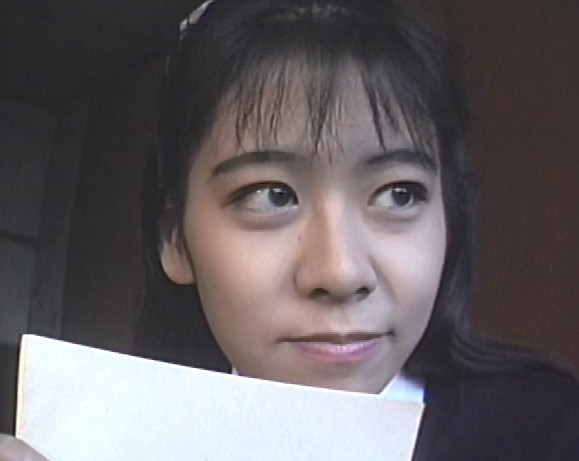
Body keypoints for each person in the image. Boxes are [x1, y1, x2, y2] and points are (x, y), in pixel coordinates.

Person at [1, 0, 578, 459]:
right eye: (271, 195)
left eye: (398, 193)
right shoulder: (103, 440)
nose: (340, 272)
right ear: (174, 237)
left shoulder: (546, 430)